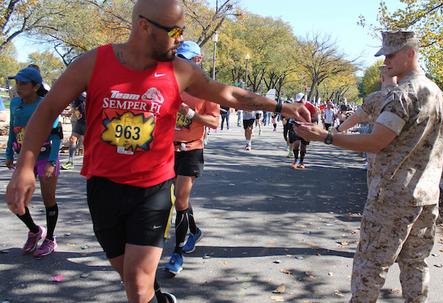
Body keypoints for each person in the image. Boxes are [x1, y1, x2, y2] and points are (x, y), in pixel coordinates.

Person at [5, 1, 309, 302]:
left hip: (153, 190)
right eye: (175, 30)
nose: (180, 37)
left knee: (137, 287)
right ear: (144, 26)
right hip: (103, 189)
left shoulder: (180, 71)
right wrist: (24, 167)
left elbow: (229, 93)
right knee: (131, 279)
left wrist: (281, 106)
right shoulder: (94, 62)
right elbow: (47, 111)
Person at [295, 31, 443, 303]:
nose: (385, 61)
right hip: (426, 195)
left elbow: (376, 141)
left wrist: (326, 136)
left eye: (390, 54)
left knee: (371, 264)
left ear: (410, 53)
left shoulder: (403, 95)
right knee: (415, 263)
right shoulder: (434, 92)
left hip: (392, 196)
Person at [165, 41, 220, 275]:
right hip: (166, 150)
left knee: (180, 200)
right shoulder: (169, 84)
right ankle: (194, 231)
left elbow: (215, 122)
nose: (182, 63)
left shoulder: (207, 90)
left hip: (191, 150)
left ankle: (176, 253)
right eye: (179, 58)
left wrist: (190, 113)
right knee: (178, 201)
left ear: (198, 60)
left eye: (186, 59)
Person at [5, 67, 61, 258]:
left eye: (23, 83)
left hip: (46, 157)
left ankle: (50, 239)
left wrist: (52, 162)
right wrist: (9, 154)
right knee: (15, 200)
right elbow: (13, 129)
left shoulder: (46, 104)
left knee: (48, 200)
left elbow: (57, 135)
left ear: (35, 86)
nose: (18, 87)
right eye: (16, 83)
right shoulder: (14, 103)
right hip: (24, 157)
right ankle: (35, 230)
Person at [288, 93, 319, 169]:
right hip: (296, 126)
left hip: (306, 128)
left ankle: (301, 162)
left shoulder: (310, 106)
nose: (299, 102)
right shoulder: (294, 105)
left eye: (300, 100)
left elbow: (316, 117)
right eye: (297, 101)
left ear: (304, 98)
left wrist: (308, 121)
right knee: (296, 143)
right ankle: (295, 160)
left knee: (303, 146)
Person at [61, 93, 86, 170]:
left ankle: (88, 163)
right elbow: (74, 108)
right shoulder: (77, 97)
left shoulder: (93, 94)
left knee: (87, 143)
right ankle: (70, 162)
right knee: (72, 139)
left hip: (90, 122)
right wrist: (67, 113)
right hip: (80, 122)